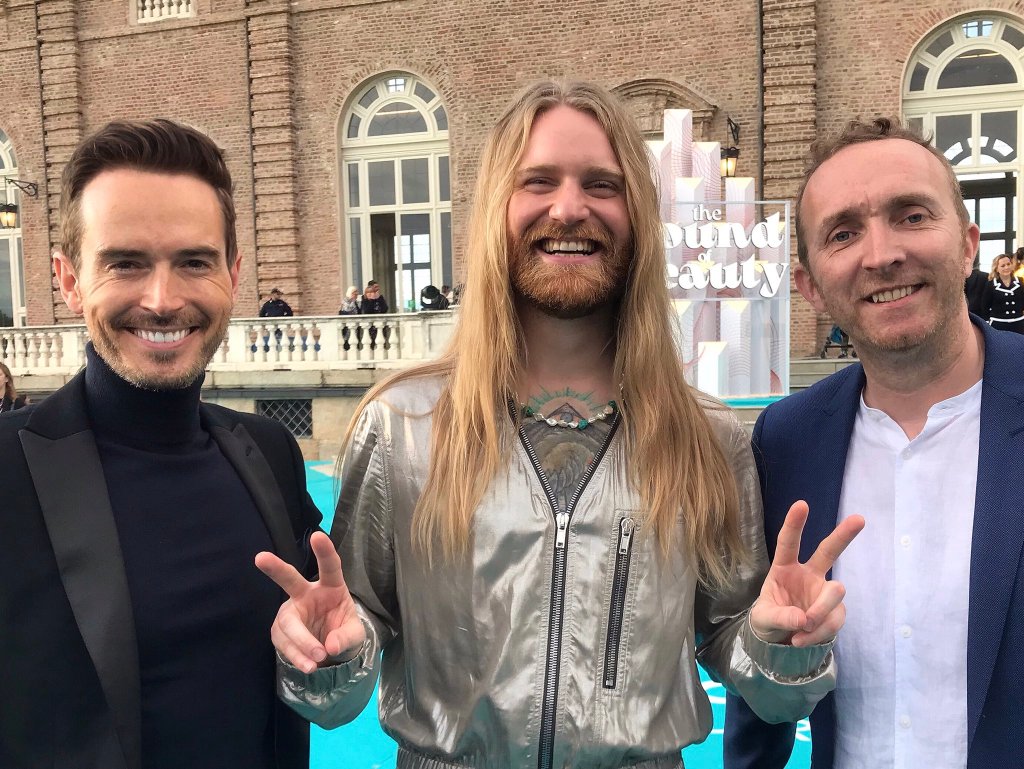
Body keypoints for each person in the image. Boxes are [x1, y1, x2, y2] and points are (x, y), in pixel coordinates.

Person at [256, 81, 863, 769]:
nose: (570, 208)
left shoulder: (708, 439)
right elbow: (350, 651)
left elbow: (737, 647)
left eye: (602, 185)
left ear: (637, 214)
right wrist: (330, 655)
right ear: (497, 208)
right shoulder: (402, 425)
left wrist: (780, 645)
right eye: (538, 180)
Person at [0, 119, 320, 769]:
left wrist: (340, 660)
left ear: (232, 274)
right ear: (69, 279)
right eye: (126, 263)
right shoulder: (6, 471)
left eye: (194, 262)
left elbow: (321, 684)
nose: (163, 299)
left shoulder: (270, 454)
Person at [724, 118, 1024, 769]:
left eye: (911, 215)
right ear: (810, 286)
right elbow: (762, 683)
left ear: (968, 243)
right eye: (843, 233)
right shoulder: (787, 438)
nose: (881, 254)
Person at [981, 254, 1024, 333]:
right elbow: (985, 307)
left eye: (1008, 264)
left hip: (1019, 324)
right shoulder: (990, 284)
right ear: (997, 269)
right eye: (1003, 266)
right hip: (998, 325)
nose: (1006, 267)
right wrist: (987, 324)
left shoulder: (1020, 281)